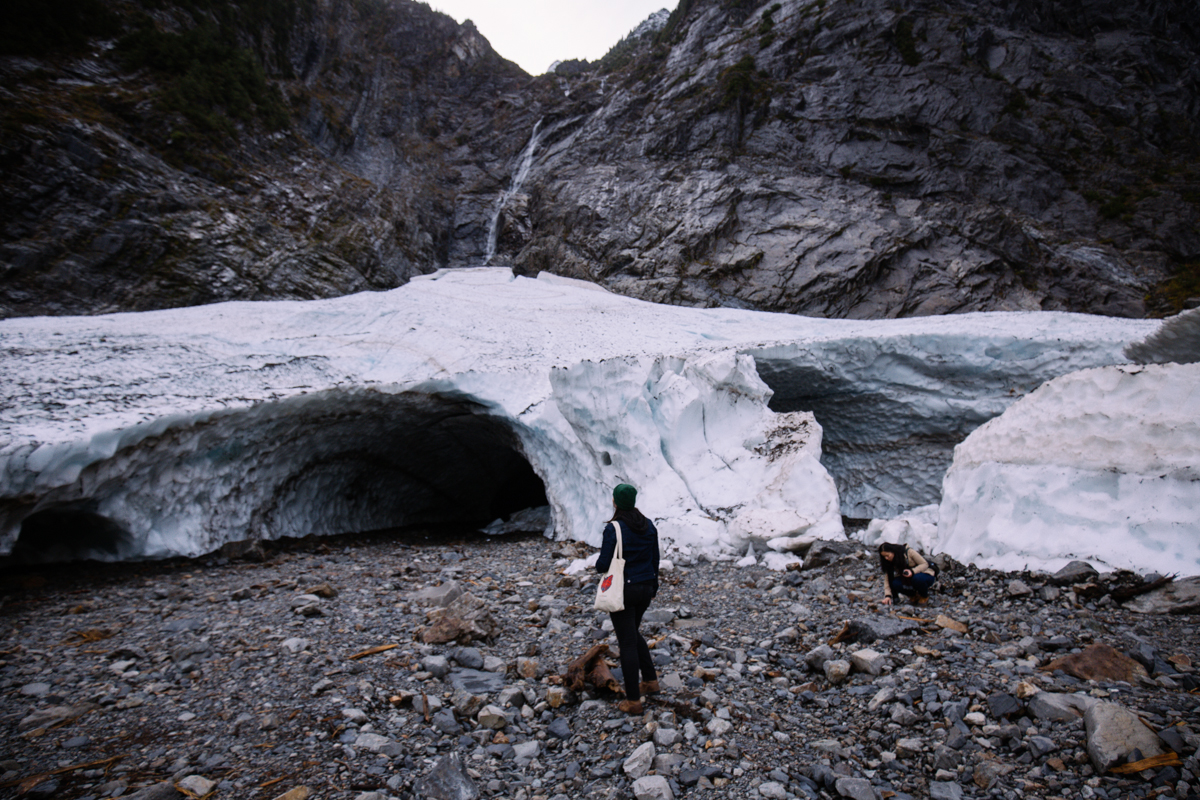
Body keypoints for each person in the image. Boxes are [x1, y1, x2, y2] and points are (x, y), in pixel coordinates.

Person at [595, 483, 660, 715]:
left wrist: (598, 565)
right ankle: (650, 681)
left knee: (627, 642)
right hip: (645, 589)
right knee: (632, 633)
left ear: (615, 502)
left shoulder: (614, 528)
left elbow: (603, 564)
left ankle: (633, 700)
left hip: (624, 590)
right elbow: (655, 559)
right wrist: (653, 587)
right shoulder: (649, 525)